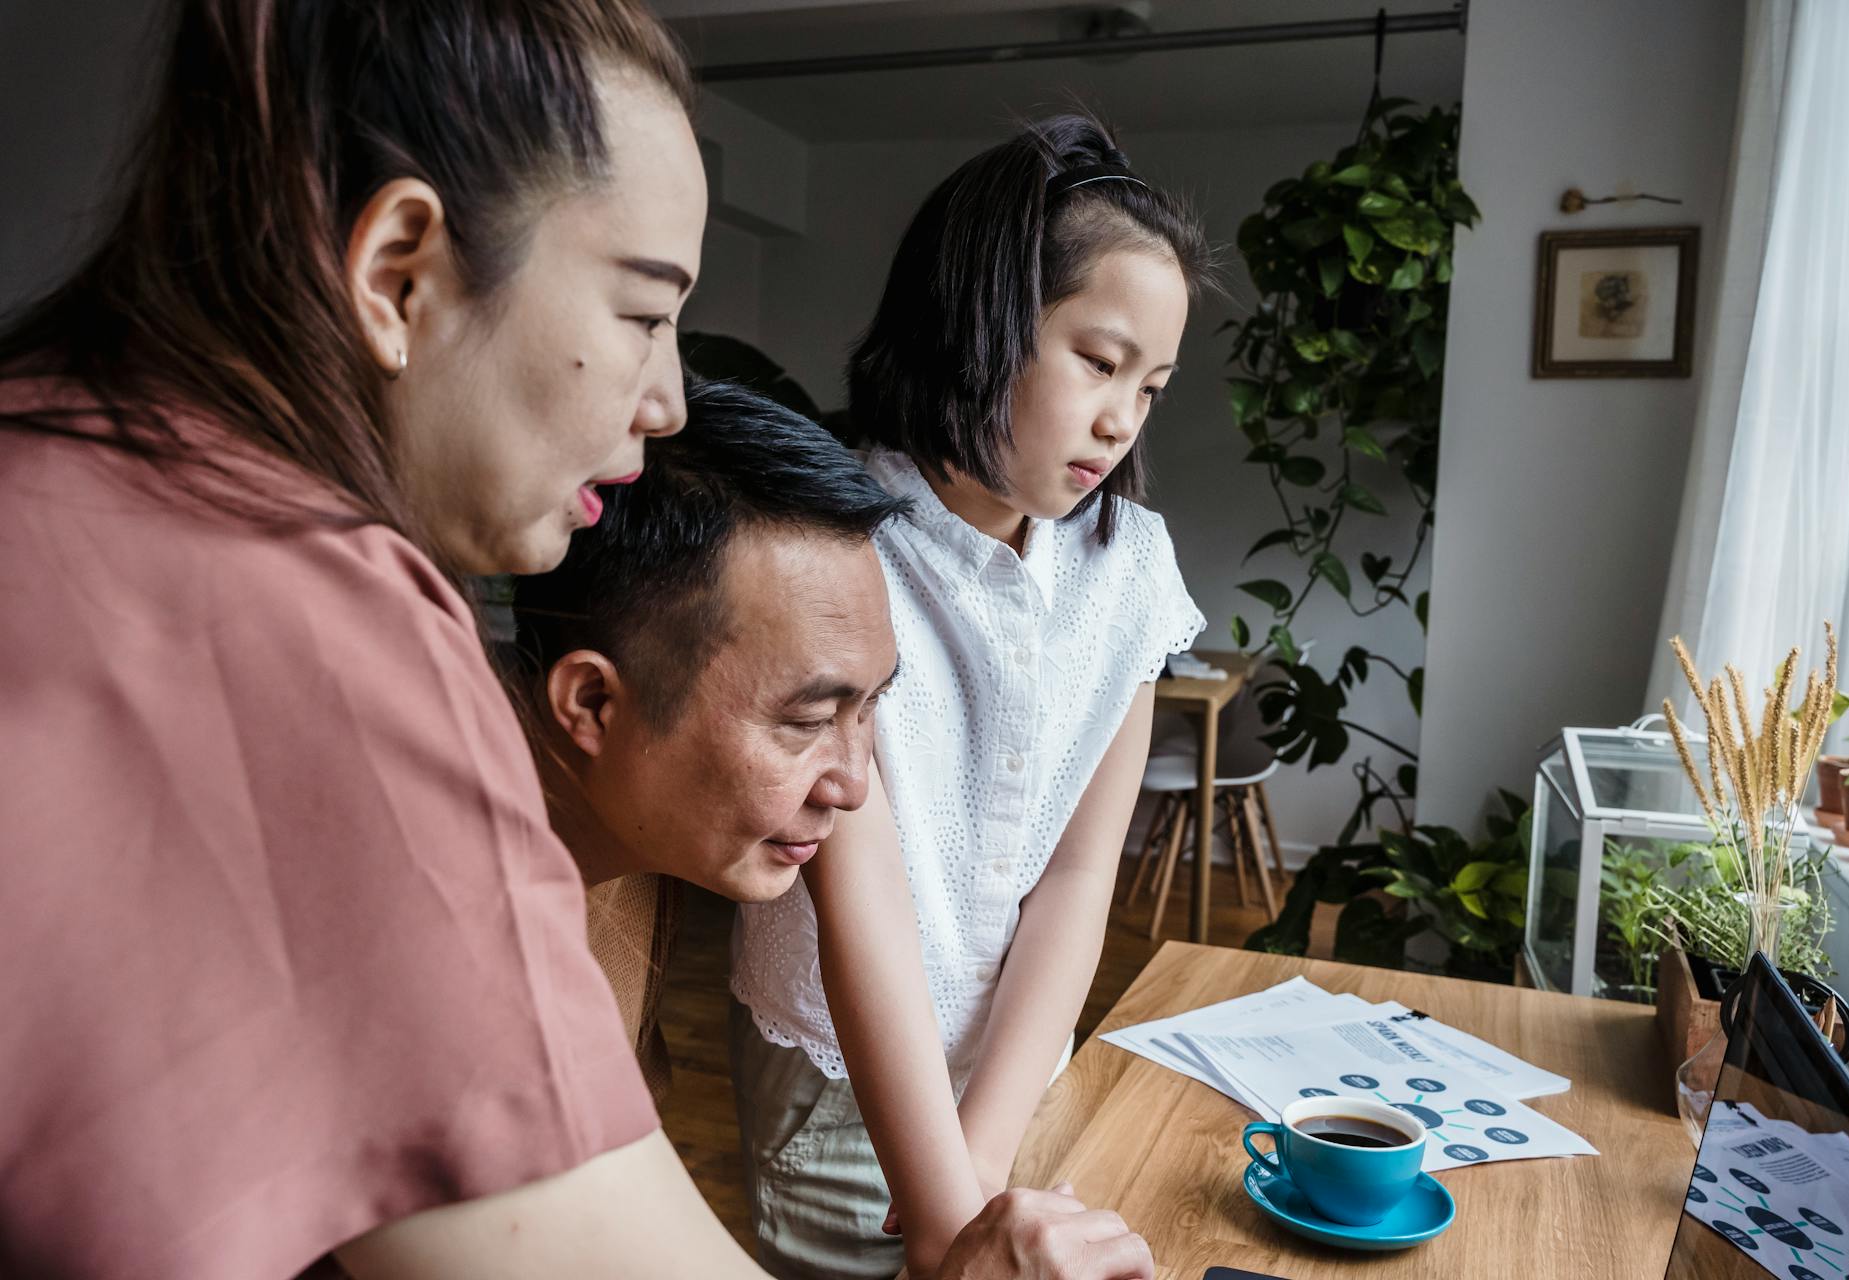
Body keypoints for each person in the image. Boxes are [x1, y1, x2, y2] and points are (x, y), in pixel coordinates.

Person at [0, 1, 1153, 1274]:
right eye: (641, 314)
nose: (663, 402)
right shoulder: (307, 631)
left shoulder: (62, 468)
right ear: (399, 273)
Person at [729, 114, 1213, 1279]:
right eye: (1098, 361)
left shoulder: (1131, 566)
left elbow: (1079, 874)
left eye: (1152, 385)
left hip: (1023, 1073)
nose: (1122, 416)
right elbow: (861, 895)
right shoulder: (841, 551)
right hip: (847, 1091)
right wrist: (945, 1209)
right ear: (984, 322)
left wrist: (987, 1161)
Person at [506, 379, 909, 1100]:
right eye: (810, 722)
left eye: (871, 706)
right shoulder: (446, 933)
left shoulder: (634, 852)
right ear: (593, 703)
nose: (852, 786)